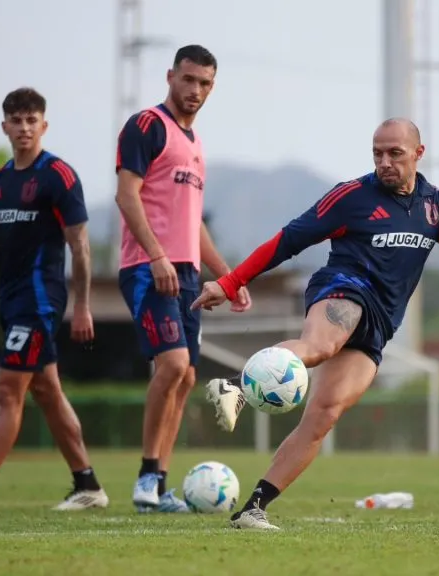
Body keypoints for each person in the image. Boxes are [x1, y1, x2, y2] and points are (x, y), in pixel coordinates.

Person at [194, 118, 439, 530]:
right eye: (377, 153)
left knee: (324, 414)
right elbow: (288, 240)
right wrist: (231, 283)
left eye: (395, 153)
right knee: (320, 347)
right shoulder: (351, 196)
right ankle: (233, 385)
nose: (385, 162)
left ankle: (252, 509)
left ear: (418, 153)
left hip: (381, 323)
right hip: (344, 288)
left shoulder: (437, 206)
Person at [0, 87, 107, 513]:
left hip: (40, 302)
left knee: (7, 390)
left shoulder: (59, 177)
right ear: (5, 127)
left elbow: (81, 247)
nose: (25, 128)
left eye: (32, 120)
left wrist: (82, 305)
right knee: (47, 392)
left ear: (44, 125)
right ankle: (88, 485)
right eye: (16, 120)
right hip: (8, 302)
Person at [115, 44, 252, 513]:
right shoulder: (147, 126)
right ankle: (145, 478)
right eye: (189, 79)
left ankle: (158, 485)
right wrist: (156, 256)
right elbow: (126, 196)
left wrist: (229, 277)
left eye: (206, 84)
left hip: (188, 273)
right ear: (170, 76)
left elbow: (193, 223)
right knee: (172, 366)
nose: (196, 91)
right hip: (148, 267)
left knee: (188, 375)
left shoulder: (195, 144)